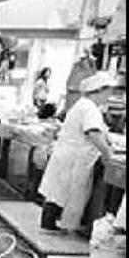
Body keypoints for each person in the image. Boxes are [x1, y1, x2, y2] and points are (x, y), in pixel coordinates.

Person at [38, 72, 116, 231]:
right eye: (108, 92)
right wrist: (109, 155)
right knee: (63, 193)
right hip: (74, 158)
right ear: (100, 91)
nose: (110, 96)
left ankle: (50, 226)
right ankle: (55, 229)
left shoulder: (84, 105)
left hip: (68, 155)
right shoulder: (89, 108)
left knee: (57, 192)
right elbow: (93, 134)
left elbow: (99, 132)